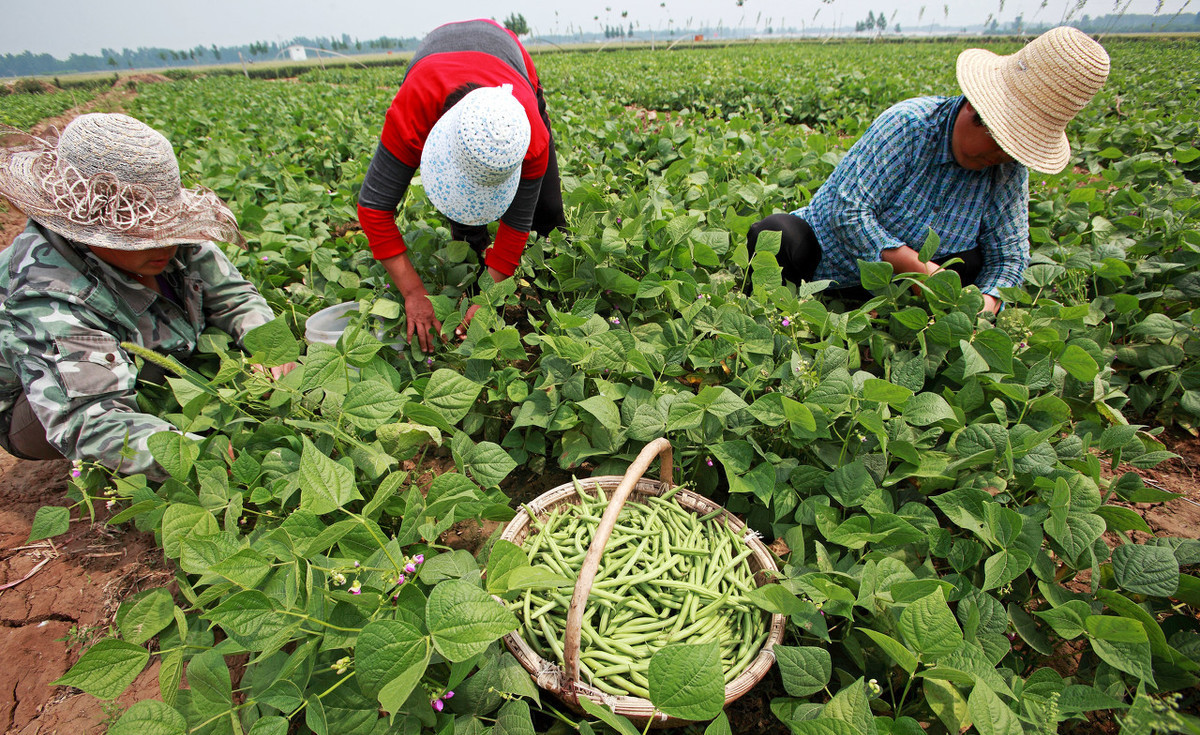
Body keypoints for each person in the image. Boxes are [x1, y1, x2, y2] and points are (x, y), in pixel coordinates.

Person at [0, 113, 290, 482]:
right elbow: (89, 421)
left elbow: (234, 298)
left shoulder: (170, 237)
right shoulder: (47, 291)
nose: (167, 242)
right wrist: (204, 459)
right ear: (84, 230)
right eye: (145, 234)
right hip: (30, 406)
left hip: (139, 352)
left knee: (196, 363)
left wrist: (272, 355)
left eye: (168, 225)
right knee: (122, 416)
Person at [748, 26, 1109, 313]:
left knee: (977, 260)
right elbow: (845, 211)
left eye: (1016, 150)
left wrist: (987, 303)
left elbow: (1010, 255)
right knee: (778, 234)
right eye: (1002, 143)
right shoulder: (910, 125)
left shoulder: (1008, 168)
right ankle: (784, 311)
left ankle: (892, 312)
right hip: (832, 265)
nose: (1003, 158)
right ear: (974, 109)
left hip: (912, 290)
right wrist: (923, 272)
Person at [357, 18, 568, 353]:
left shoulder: (529, 138)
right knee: (467, 230)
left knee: (548, 211)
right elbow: (373, 209)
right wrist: (413, 292)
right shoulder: (412, 115)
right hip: (434, 63)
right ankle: (471, 254)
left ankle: (556, 284)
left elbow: (515, 228)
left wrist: (489, 297)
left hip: (508, 58)